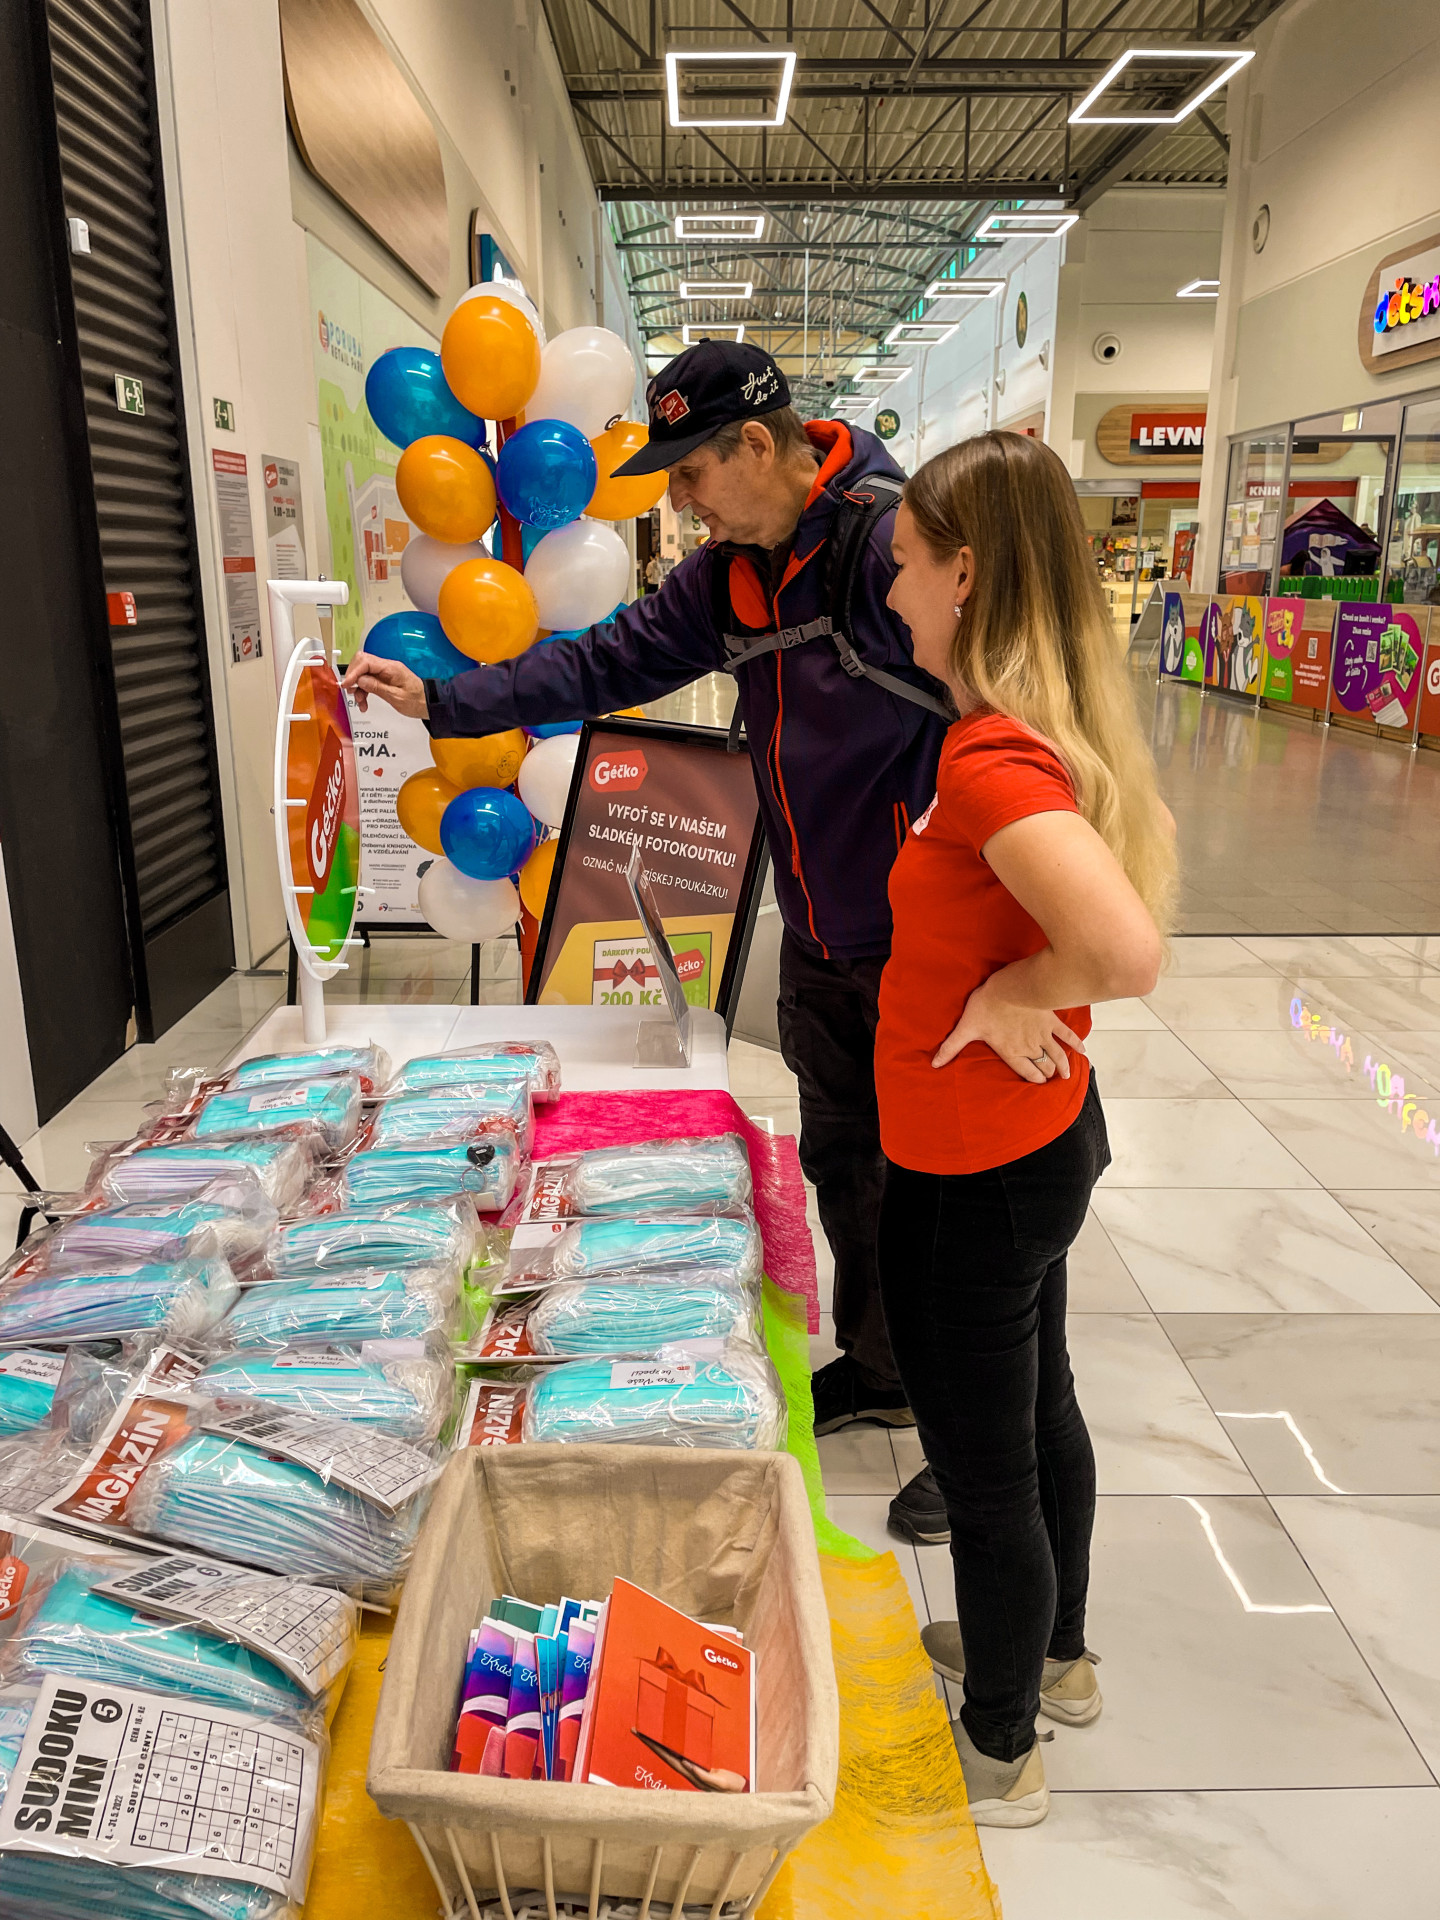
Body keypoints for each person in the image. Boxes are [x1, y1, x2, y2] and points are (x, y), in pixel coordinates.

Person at [342, 340, 953, 1535]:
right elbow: (601, 661)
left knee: (942, 1197)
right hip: (824, 937)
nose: (680, 499)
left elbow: (1009, 717)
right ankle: (885, 1368)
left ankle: (969, 1444)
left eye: (691, 472)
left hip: (923, 942)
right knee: (849, 1166)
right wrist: (448, 700)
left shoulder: (892, 546)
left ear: (759, 446)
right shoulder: (729, 579)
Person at [874, 431, 1174, 1826]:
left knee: (986, 1471)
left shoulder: (994, 758)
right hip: (1028, 1144)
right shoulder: (1031, 735)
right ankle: (1055, 1659)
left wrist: (1010, 991)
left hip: (976, 1170)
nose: (892, 593)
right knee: (1041, 1411)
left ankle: (1001, 1748)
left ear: (966, 574)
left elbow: (1123, 949)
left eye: (905, 566)